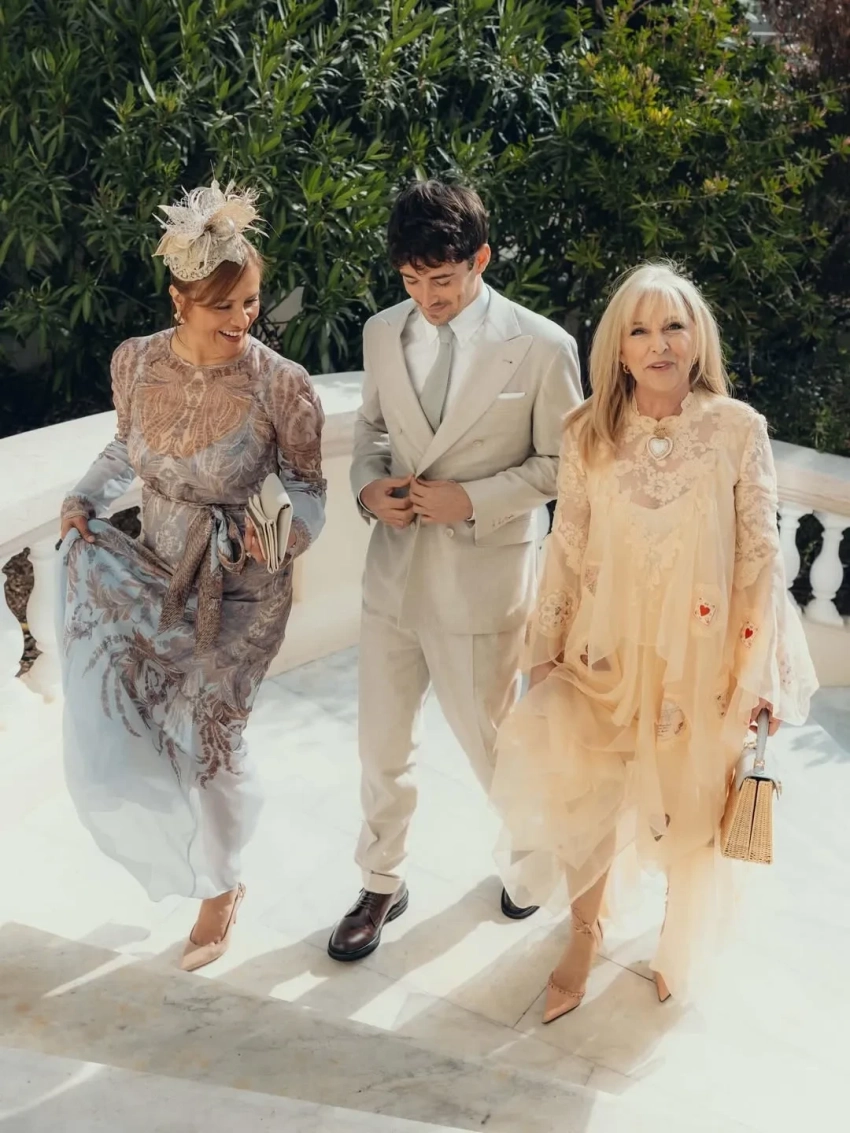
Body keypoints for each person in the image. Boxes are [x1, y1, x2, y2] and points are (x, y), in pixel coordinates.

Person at [489, 261, 818, 1018]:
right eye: (639, 331)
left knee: (691, 800)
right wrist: (544, 648)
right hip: (602, 652)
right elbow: (567, 543)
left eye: (673, 326)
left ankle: (678, 934)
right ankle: (585, 928)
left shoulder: (738, 429)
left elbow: (760, 557)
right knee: (589, 788)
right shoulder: (586, 430)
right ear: (619, 347)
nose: (658, 344)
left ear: (698, 338)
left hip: (702, 657)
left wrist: (760, 671)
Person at [57, 180, 326, 971]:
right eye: (223, 307)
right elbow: (125, 448)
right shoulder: (136, 361)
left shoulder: (282, 382)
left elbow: (310, 490)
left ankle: (222, 886)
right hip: (155, 570)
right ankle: (196, 850)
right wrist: (83, 497)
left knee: (213, 728)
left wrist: (276, 540)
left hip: (243, 588)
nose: (243, 319)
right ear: (180, 299)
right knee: (143, 722)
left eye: (251, 302)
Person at [327, 180, 583, 961]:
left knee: (494, 747)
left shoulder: (541, 346)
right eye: (411, 280)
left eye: (441, 280)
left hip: (482, 583)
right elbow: (372, 431)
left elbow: (564, 466)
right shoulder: (382, 332)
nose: (427, 297)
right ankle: (380, 880)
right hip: (392, 574)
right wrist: (369, 488)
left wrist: (471, 499)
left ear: (481, 259)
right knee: (381, 747)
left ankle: (533, 863)